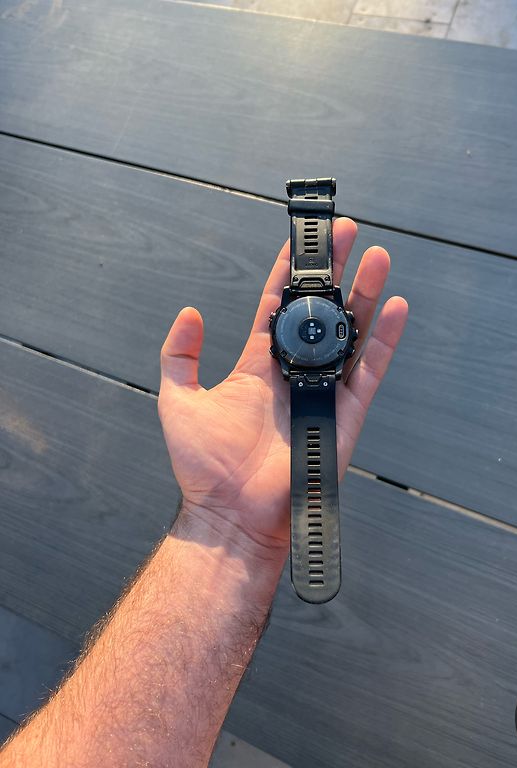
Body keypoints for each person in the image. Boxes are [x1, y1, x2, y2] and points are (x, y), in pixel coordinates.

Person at [0, 217, 408, 768]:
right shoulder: (318, 340)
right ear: (282, 332)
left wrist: (229, 529)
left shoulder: (293, 332)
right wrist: (231, 526)